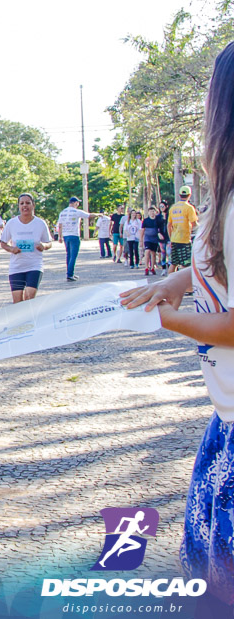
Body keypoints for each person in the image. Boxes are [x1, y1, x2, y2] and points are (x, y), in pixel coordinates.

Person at [120, 42, 234, 605]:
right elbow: (213, 262)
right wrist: (172, 283)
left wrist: (169, 320)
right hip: (225, 413)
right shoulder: (222, 202)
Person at [0, 193, 53, 303]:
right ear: (18, 206)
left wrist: (44, 246)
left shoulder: (40, 223)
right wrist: (12, 249)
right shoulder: (12, 223)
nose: (25, 206)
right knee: (17, 302)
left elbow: (49, 242)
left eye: (28, 203)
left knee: (29, 297)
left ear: (33, 205)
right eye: (22, 203)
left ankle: (30, 320)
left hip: (34, 265)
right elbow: (3, 243)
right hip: (17, 266)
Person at [56, 196, 95, 282]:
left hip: (66, 235)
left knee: (69, 255)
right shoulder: (76, 212)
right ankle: (70, 274)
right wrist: (99, 215)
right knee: (73, 256)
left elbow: (60, 225)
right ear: (74, 203)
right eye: (77, 203)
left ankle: (70, 273)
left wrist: (60, 236)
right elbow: (89, 215)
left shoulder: (63, 212)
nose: (78, 204)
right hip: (74, 235)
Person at [168, 185, 199, 274]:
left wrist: (171, 238)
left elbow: (169, 225)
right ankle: (184, 285)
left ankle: (170, 283)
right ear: (189, 195)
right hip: (184, 240)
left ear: (179, 195)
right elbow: (194, 224)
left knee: (174, 263)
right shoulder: (189, 208)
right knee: (186, 264)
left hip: (174, 239)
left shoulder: (173, 207)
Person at [141, 206, 164, 275]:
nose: (152, 213)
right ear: (148, 213)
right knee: (147, 251)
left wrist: (159, 234)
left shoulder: (157, 220)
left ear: (155, 212)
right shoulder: (145, 220)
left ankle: (152, 267)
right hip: (147, 238)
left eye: (153, 211)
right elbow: (142, 230)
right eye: (150, 211)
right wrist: (141, 240)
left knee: (153, 253)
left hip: (155, 239)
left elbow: (160, 229)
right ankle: (146, 267)